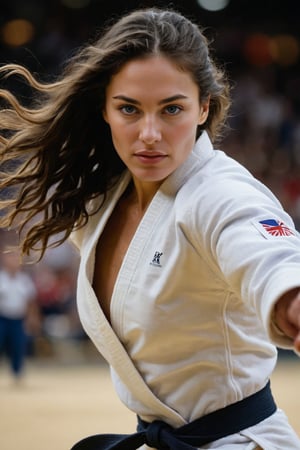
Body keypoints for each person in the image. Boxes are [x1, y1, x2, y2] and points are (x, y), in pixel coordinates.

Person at [0, 7, 300, 449]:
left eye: (172, 109)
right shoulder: (101, 198)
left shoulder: (220, 193)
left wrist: (291, 303)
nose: (149, 134)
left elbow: (270, 260)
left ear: (204, 108)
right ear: (105, 108)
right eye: (129, 109)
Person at [0, 249, 39, 381]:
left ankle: (17, 373)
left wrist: (32, 318)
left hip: (18, 319)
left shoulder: (24, 280)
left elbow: (31, 302)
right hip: (2, 318)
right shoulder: (1, 278)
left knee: (18, 345)